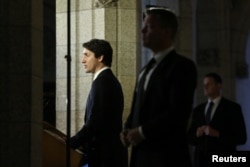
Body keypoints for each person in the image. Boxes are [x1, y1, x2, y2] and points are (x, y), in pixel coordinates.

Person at [120, 5, 197, 167]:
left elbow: (177, 112)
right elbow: (137, 108)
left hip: (166, 157)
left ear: (166, 31)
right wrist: (127, 128)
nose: (142, 31)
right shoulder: (145, 70)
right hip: (141, 156)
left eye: (149, 26)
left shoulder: (182, 66)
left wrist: (141, 132)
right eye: (143, 26)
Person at [69, 39, 128, 167]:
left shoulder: (103, 82)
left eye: (87, 55)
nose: (82, 60)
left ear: (100, 57)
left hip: (105, 158)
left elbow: (95, 122)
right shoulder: (106, 80)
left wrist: (70, 144)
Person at [187, 72, 247, 167]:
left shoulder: (232, 108)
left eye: (208, 84)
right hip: (201, 161)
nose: (205, 87)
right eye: (204, 85)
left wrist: (217, 134)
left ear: (219, 86)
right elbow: (189, 138)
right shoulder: (198, 110)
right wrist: (196, 134)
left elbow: (241, 138)